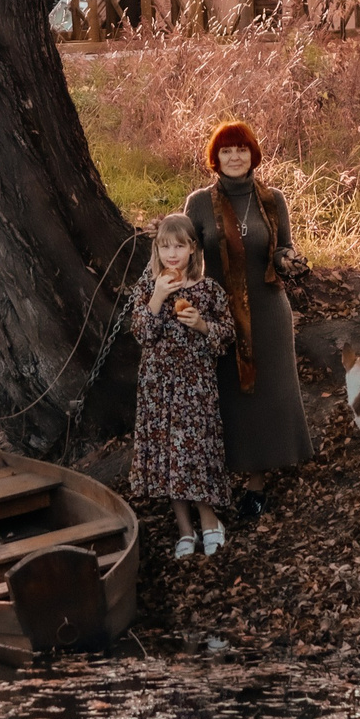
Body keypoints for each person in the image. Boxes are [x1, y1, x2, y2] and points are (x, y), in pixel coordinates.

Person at [185, 121, 315, 514]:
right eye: (226, 151)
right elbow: (186, 257)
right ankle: (221, 479)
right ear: (216, 158)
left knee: (265, 397)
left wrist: (289, 261)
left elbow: (282, 249)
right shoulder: (199, 203)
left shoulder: (272, 199)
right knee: (226, 398)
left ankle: (257, 486)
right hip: (220, 316)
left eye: (242, 149)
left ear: (253, 153)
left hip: (268, 312)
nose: (235, 157)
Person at [128, 211, 235, 559]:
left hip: (195, 385)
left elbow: (227, 333)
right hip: (158, 386)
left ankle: (209, 521)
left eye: (179, 246)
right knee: (168, 458)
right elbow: (142, 334)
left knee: (195, 452)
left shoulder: (208, 290)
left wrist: (203, 326)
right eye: (164, 247)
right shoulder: (149, 286)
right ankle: (184, 529)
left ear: (193, 250)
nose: (172, 254)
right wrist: (157, 298)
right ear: (156, 251)